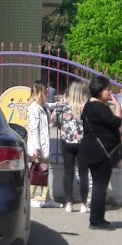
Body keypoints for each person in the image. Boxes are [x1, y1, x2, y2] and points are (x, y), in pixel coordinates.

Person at [78, 74, 122, 230]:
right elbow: (116, 122)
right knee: (100, 186)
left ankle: (97, 218)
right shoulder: (99, 107)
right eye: (107, 89)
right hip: (101, 152)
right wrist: (117, 106)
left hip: (89, 150)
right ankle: (96, 221)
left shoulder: (88, 106)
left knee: (98, 185)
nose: (109, 92)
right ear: (99, 90)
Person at [53, 80, 88, 214]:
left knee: (68, 173)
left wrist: (64, 124)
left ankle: (69, 203)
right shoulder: (87, 105)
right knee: (83, 173)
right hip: (83, 142)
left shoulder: (63, 103)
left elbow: (54, 121)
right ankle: (84, 204)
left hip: (66, 140)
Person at [27, 81, 58, 208]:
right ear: (40, 92)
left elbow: (51, 105)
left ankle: (44, 197)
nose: (47, 92)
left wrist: (60, 103)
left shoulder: (42, 106)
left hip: (42, 146)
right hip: (38, 147)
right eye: (45, 90)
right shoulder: (34, 109)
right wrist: (37, 148)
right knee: (39, 171)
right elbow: (34, 130)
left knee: (41, 171)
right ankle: (35, 197)